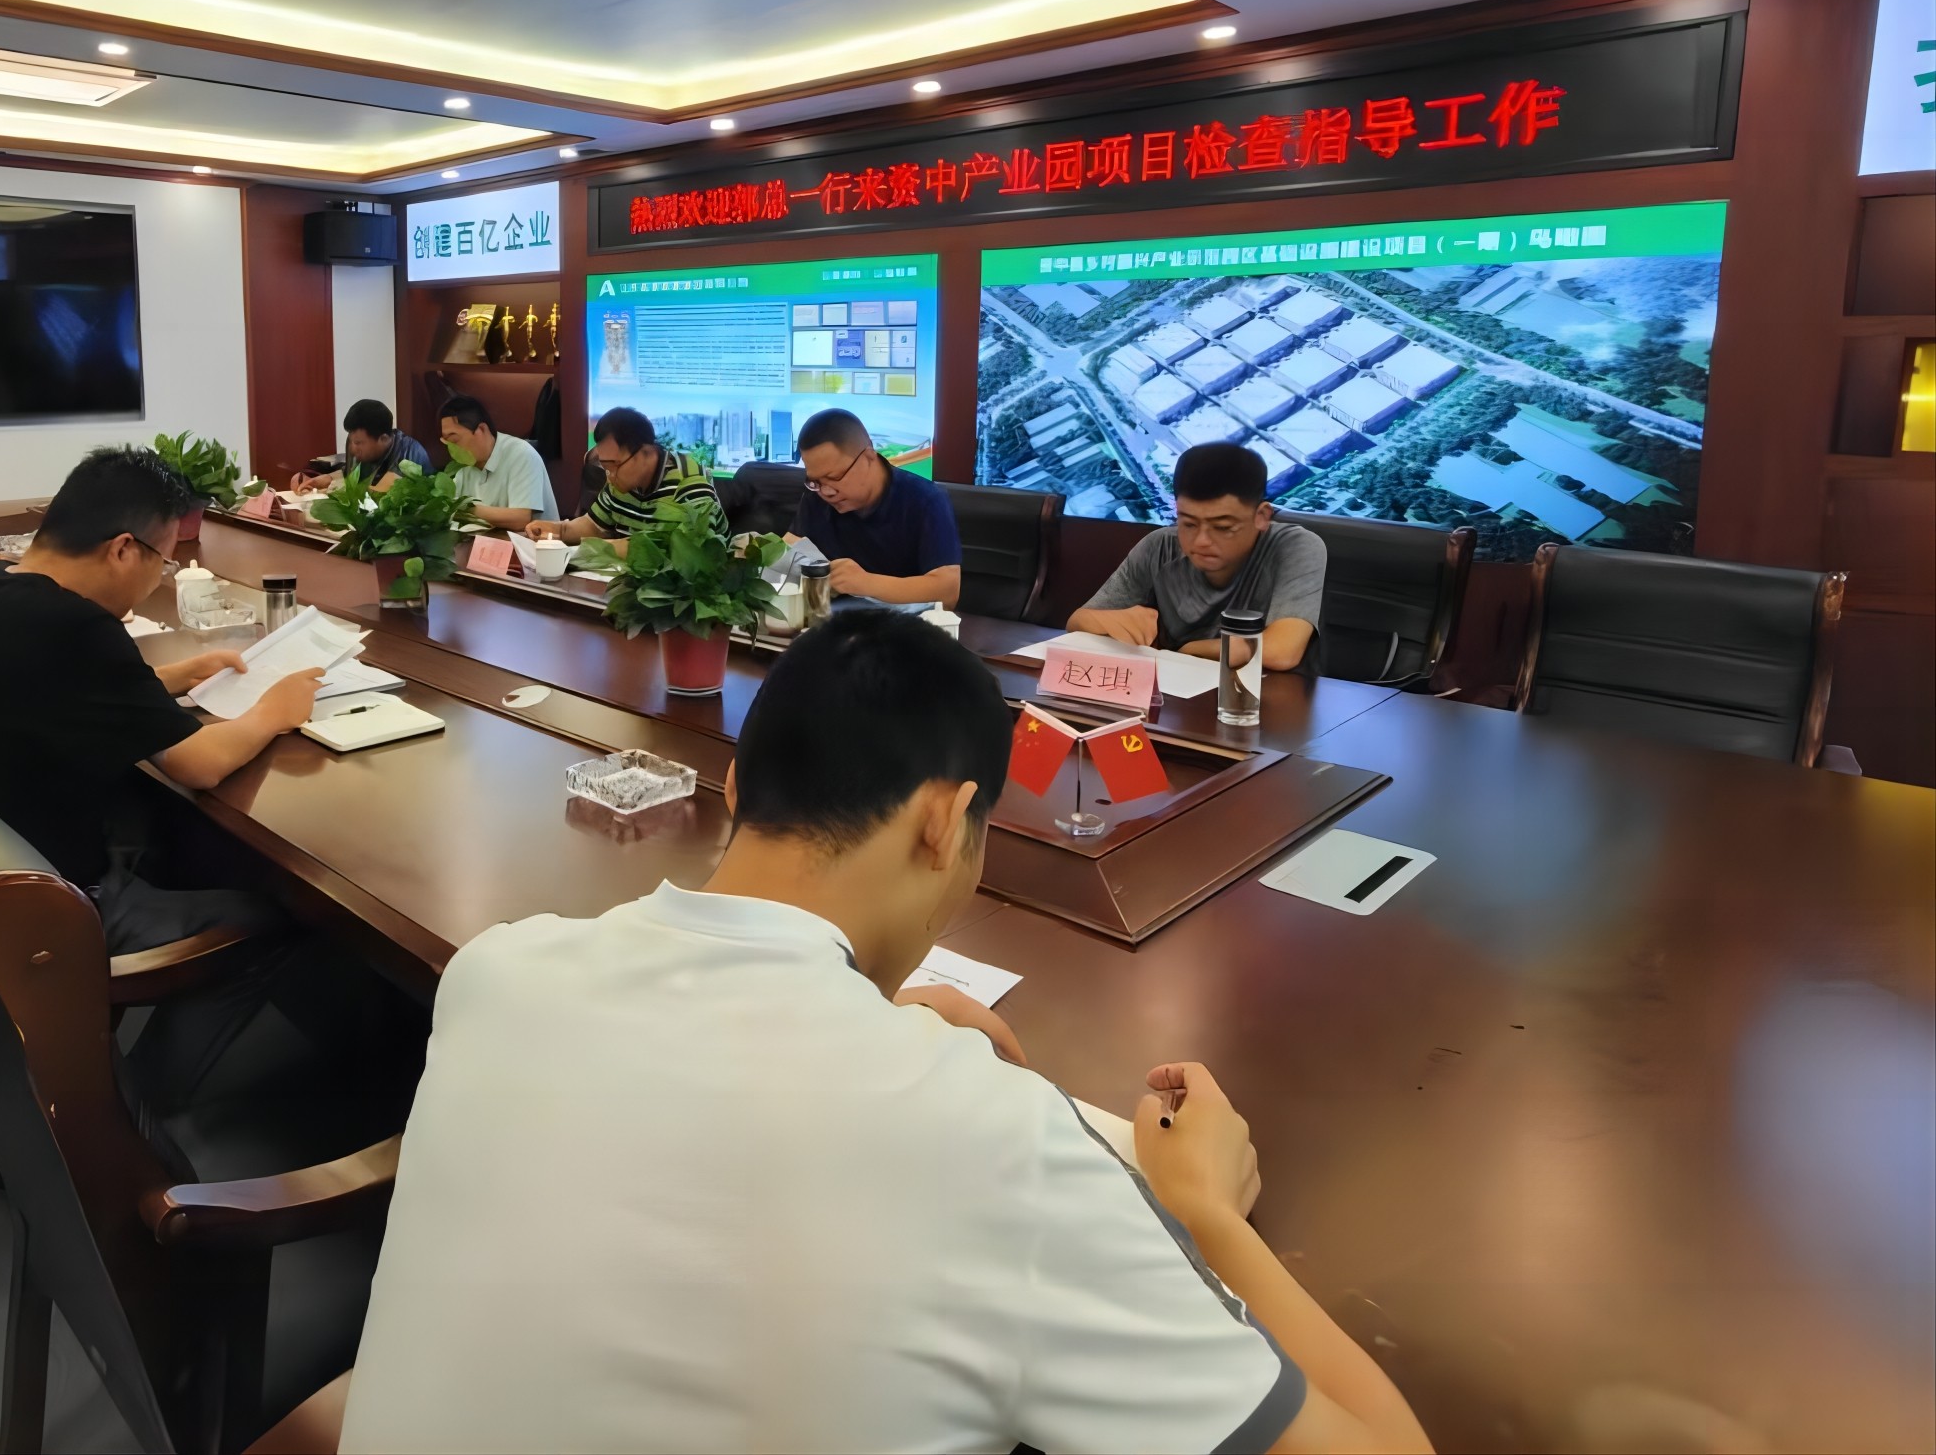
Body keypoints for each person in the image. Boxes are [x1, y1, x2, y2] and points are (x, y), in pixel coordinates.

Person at [339, 612, 1427, 1453]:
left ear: (734, 788)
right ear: (945, 820)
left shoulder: (498, 973)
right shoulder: (995, 1142)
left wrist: (895, 1035)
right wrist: (1202, 1216)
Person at [0, 446, 336, 1113]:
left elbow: (55, 689)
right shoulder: (74, 625)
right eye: (162, 560)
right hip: (13, 919)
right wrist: (274, 710)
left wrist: (171, 677)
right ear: (122, 550)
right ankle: (116, 1121)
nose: (157, 575)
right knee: (265, 923)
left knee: (152, 828)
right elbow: (199, 765)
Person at [1068, 441, 1326, 672]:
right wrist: (1111, 621)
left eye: (1222, 527)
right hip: (1180, 693)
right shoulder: (1159, 546)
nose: (1202, 540)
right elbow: (1078, 621)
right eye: (1189, 524)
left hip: (1267, 699)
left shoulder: (1294, 546)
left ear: (1261, 516)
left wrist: (1190, 650)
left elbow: (1282, 651)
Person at [789, 407, 962, 607]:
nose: (826, 492)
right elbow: (791, 547)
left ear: (869, 456)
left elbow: (947, 591)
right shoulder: (817, 495)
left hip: (904, 621)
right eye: (815, 481)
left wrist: (865, 583)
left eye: (834, 477)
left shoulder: (925, 500)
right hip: (834, 618)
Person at [526, 405, 726, 550]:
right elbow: (594, 525)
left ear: (646, 452)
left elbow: (685, 554)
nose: (609, 477)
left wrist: (601, 549)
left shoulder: (690, 484)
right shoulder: (620, 482)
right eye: (605, 466)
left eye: (615, 465)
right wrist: (558, 530)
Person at [437, 393, 557, 530]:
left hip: (533, 542)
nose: (452, 449)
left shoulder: (521, 454)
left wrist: (466, 508)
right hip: (485, 542)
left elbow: (520, 519)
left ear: (481, 429)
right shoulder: (462, 467)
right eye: (447, 443)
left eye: (454, 440)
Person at [291, 398, 433, 495]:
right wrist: (326, 479)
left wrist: (333, 486)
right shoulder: (359, 448)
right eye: (352, 441)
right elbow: (352, 476)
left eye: (358, 443)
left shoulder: (408, 456)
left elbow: (378, 496)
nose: (353, 449)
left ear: (383, 439)